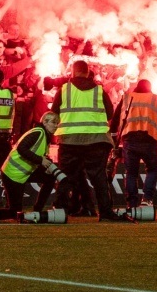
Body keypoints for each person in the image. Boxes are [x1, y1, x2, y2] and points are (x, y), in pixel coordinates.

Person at [51, 60, 121, 221]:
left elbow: (53, 113)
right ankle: (105, 212)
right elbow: (110, 113)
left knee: (64, 177)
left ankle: (59, 212)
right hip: (97, 140)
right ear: (87, 72)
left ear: (73, 71)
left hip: (69, 140)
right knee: (99, 178)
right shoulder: (99, 90)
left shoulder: (64, 90)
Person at [115, 77, 157, 210]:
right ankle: (147, 199)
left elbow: (116, 118)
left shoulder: (127, 97)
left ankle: (131, 204)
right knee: (153, 169)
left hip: (130, 140)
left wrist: (114, 137)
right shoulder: (154, 98)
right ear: (149, 88)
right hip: (149, 140)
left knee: (131, 173)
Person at [2, 113, 67, 221]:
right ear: (45, 122)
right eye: (53, 122)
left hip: (21, 173)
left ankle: (38, 210)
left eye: (57, 123)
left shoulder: (44, 135)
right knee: (14, 212)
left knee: (50, 178)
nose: (56, 126)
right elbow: (21, 149)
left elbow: (37, 155)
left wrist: (45, 164)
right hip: (12, 174)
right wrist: (41, 160)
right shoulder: (38, 132)